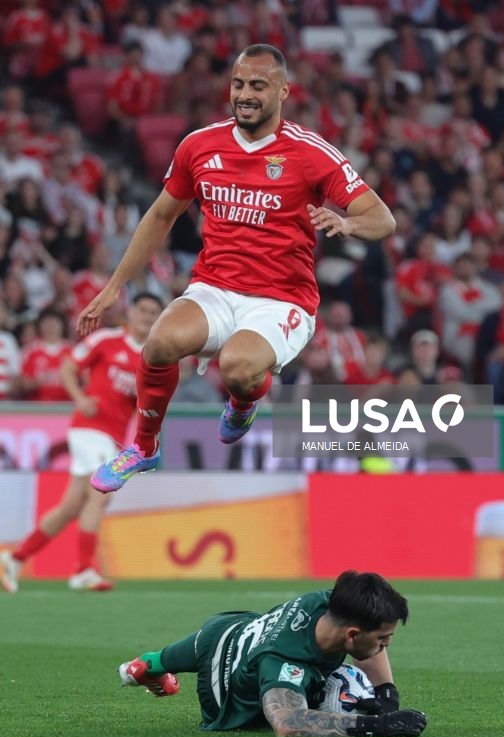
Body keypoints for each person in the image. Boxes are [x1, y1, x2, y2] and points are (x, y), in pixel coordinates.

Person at [76, 43, 396, 494]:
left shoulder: (310, 152)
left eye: (258, 86)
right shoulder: (200, 145)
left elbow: (382, 219)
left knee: (239, 368)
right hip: (215, 288)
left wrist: (346, 222)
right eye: (238, 84)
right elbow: (161, 215)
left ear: (284, 90)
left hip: (282, 298)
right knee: (160, 343)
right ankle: (144, 448)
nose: (245, 94)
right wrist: (114, 287)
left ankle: (244, 400)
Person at [118, 570, 427, 737]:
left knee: (166, 657)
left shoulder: (332, 604)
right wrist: (378, 726)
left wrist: (387, 697)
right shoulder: (284, 663)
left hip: (238, 627)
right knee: (161, 661)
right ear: (351, 635)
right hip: (219, 683)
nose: (385, 646)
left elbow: (367, 637)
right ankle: (143, 668)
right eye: (383, 640)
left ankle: (148, 666)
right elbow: (288, 722)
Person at [0, 292, 163, 594]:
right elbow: (68, 367)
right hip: (89, 428)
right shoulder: (106, 340)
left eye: (154, 312)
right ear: (131, 311)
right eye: (143, 309)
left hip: (113, 436)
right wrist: (80, 398)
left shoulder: (152, 357)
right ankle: (84, 569)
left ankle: (15, 557)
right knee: (99, 496)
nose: (148, 316)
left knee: (73, 503)